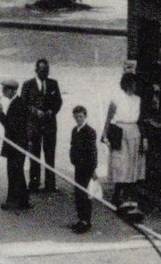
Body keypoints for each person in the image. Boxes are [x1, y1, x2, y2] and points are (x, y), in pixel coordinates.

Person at [104, 72, 146, 218]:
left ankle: (128, 196)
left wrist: (144, 137)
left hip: (134, 131)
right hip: (120, 131)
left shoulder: (138, 99)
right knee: (120, 164)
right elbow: (109, 118)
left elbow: (140, 120)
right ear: (126, 84)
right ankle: (116, 195)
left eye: (136, 83)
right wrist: (104, 134)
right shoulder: (116, 98)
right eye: (132, 83)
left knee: (132, 165)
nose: (135, 86)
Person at [21, 58, 64, 193]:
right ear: (36, 70)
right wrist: (35, 111)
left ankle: (50, 184)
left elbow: (58, 101)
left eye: (46, 70)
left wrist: (52, 110)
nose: (44, 73)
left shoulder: (53, 83)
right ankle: (34, 183)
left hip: (50, 125)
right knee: (34, 155)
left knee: (50, 154)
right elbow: (23, 105)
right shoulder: (28, 85)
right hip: (34, 126)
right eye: (42, 70)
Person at [0, 80, 33, 211]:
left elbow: (11, 127)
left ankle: (12, 202)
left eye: (5, 89)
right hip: (18, 144)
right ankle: (24, 201)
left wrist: (0, 113)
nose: (3, 92)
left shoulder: (17, 104)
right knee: (18, 172)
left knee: (13, 173)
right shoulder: (18, 103)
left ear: (12, 90)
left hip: (15, 145)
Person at [68, 105, 99, 233]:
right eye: (76, 117)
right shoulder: (75, 130)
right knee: (78, 194)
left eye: (80, 116)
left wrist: (93, 170)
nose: (78, 119)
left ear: (85, 116)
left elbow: (93, 152)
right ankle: (81, 219)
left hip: (87, 167)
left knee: (85, 195)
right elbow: (72, 146)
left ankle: (86, 221)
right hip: (78, 167)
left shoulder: (90, 131)